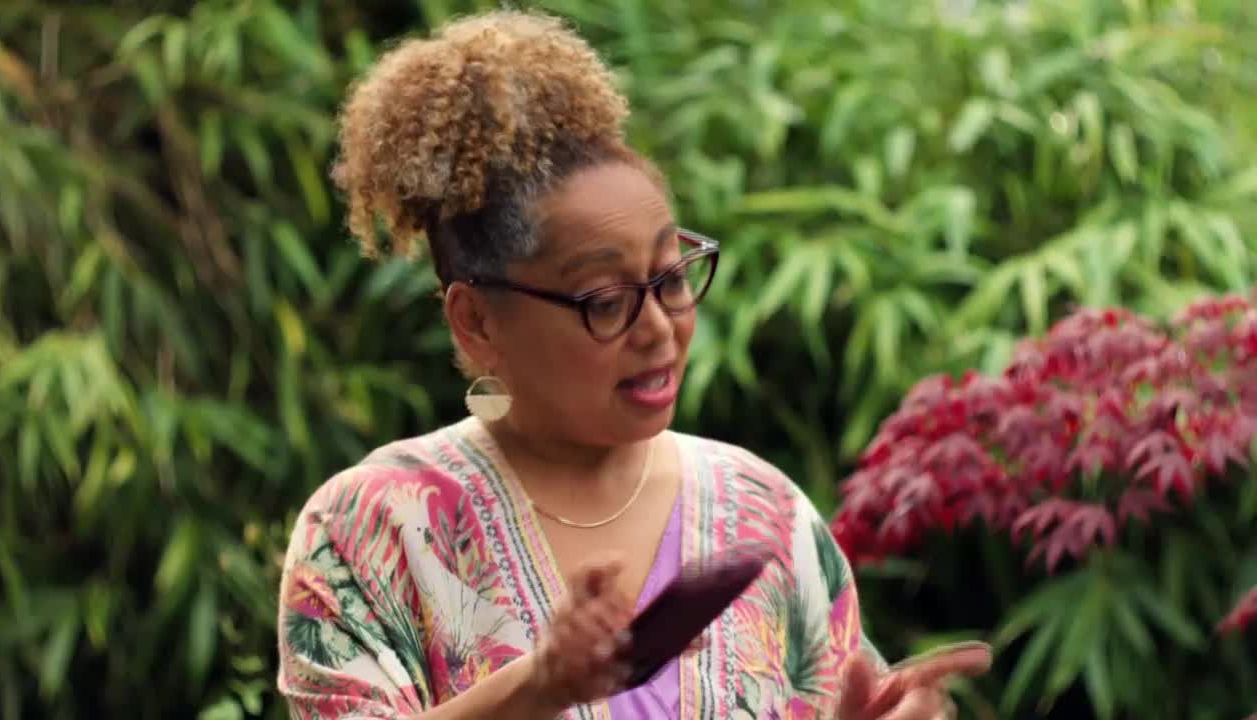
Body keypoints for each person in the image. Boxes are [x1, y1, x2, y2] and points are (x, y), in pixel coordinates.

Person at [276, 10, 991, 720]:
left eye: (671, 278)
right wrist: (537, 689)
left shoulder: (764, 513)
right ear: (478, 320)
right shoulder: (370, 529)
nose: (659, 329)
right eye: (604, 299)